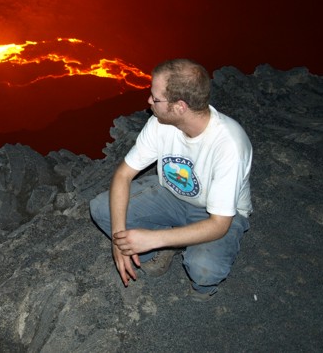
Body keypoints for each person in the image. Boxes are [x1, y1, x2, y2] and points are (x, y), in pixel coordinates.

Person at [89, 58, 252, 301]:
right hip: (171, 196)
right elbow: (123, 174)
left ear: (180, 107)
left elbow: (219, 224)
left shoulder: (228, 145)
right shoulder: (160, 124)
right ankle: (159, 249)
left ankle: (202, 287)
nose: (149, 102)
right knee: (101, 208)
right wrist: (118, 238)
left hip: (216, 214)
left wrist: (153, 238)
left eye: (155, 98)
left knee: (204, 268)